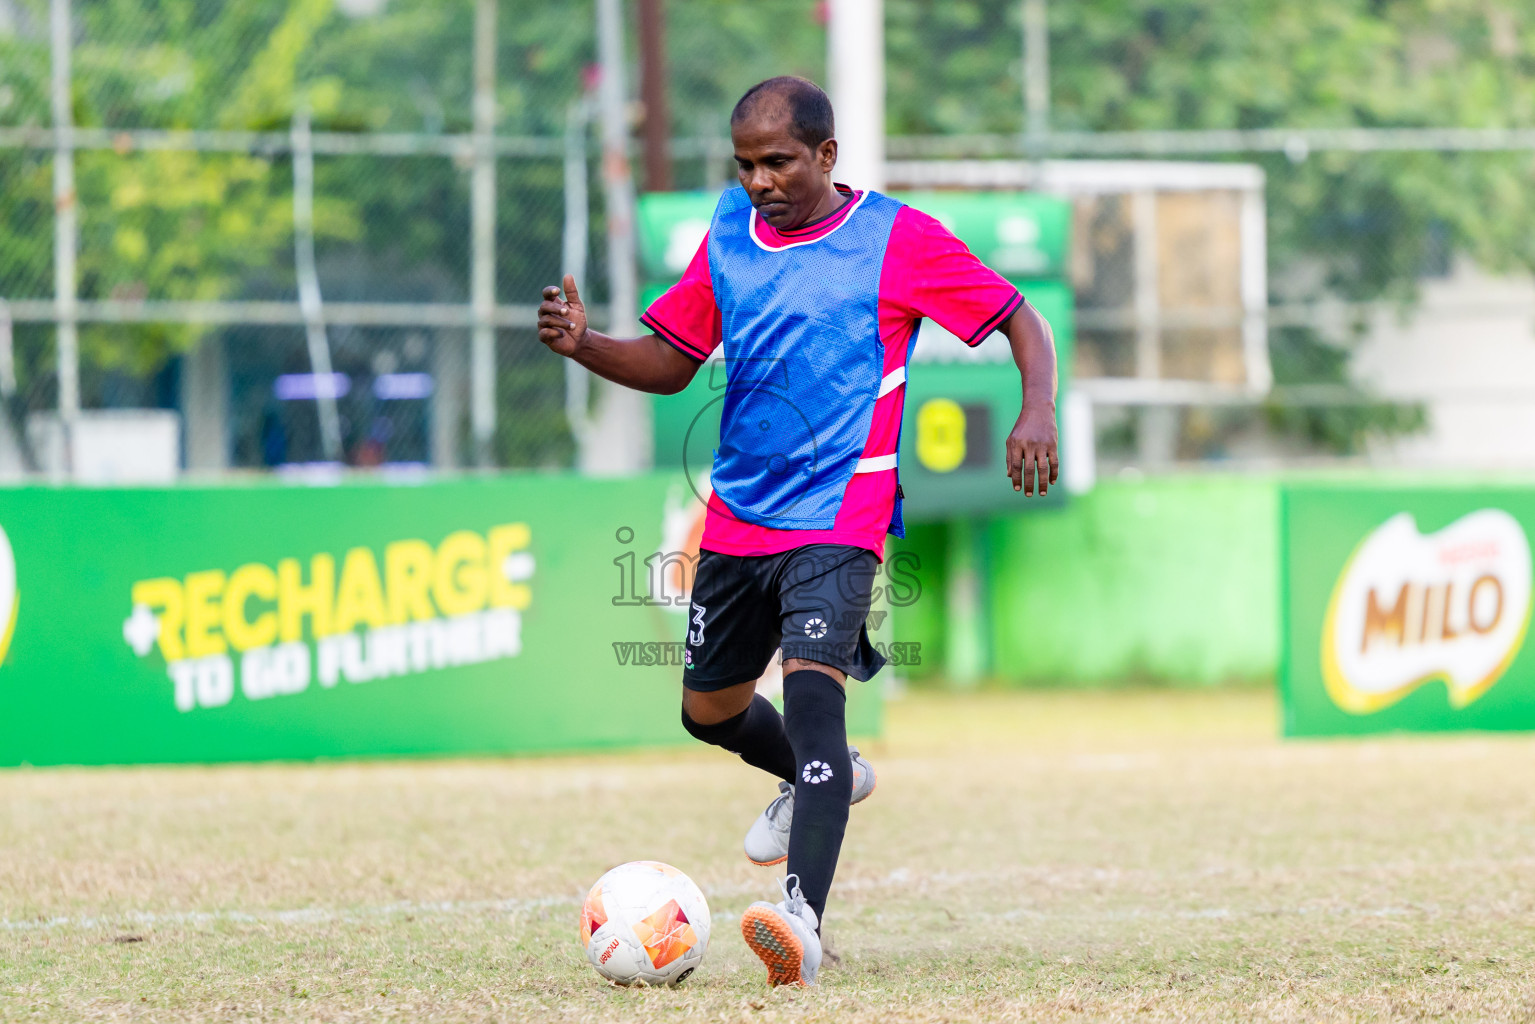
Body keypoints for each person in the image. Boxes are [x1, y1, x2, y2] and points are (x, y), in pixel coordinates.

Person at [538, 75, 1059, 987]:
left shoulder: (897, 239)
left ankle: (801, 921)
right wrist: (586, 344)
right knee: (708, 712)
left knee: (815, 701)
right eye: (745, 164)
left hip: (840, 516)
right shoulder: (729, 233)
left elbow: (1021, 319)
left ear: (825, 155)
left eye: (777, 161)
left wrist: (1037, 410)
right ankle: (826, 775)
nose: (759, 181)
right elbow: (672, 360)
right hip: (738, 517)